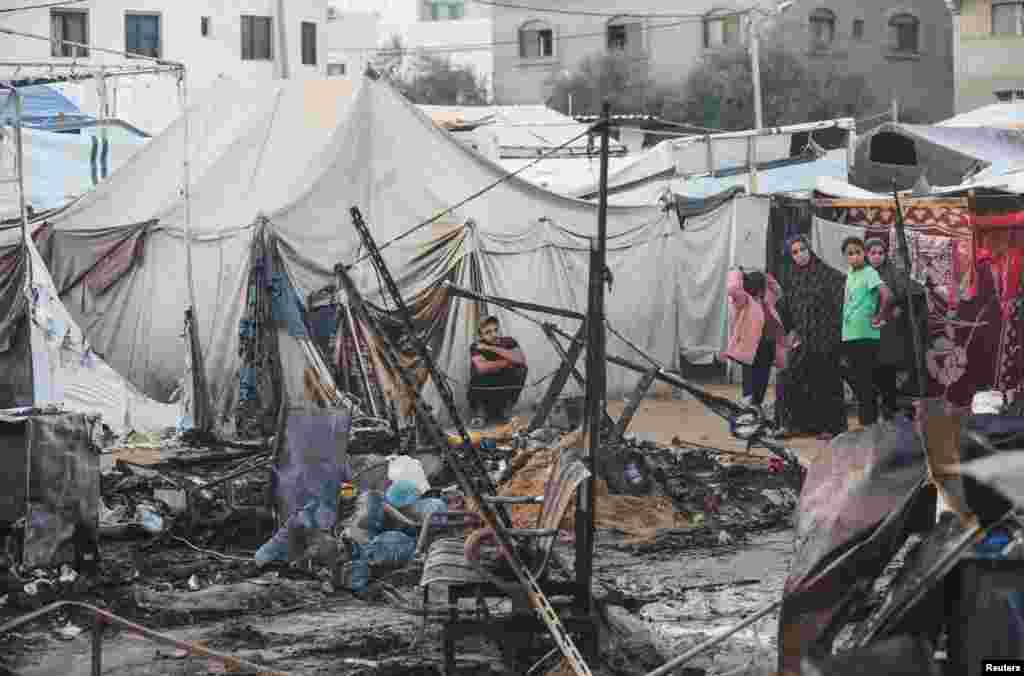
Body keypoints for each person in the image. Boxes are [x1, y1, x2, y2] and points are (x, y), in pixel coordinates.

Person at [775, 235, 848, 440]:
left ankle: (830, 427)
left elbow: (840, 304)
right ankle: (792, 425)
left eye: (802, 249)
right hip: (802, 338)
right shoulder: (792, 278)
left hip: (825, 338)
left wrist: (835, 335)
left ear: (810, 249)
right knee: (790, 378)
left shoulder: (828, 275)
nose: (800, 254)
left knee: (826, 381)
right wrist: (790, 332)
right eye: (795, 252)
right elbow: (787, 307)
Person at [866, 237, 928, 418]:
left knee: (887, 371)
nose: (877, 257)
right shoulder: (859, 273)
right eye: (872, 253)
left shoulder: (894, 273)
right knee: (871, 372)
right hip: (867, 329)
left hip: (889, 332)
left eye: (880, 253)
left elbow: (914, 293)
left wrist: (899, 308)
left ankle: (890, 410)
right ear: (867, 254)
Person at [840, 236, 891, 428]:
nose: (854, 256)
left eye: (857, 252)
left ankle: (868, 423)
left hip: (865, 334)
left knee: (864, 381)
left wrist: (880, 316)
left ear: (864, 253)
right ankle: (868, 421)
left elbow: (887, 296)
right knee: (859, 381)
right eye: (849, 254)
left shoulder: (869, 272)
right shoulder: (850, 274)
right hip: (849, 334)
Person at [723, 268, 787, 419]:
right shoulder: (744, 301)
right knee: (750, 385)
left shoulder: (768, 301)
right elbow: (732, 288)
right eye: (762, 285)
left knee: (762, 382)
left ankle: (756, 412)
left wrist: (767, 276)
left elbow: (779, 290)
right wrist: (736, 273)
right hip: (751, 349)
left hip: (768, 346)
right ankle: (748, 415)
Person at [468, 316, 528, 427]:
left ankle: (506, 410)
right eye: (488, 332)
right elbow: (482, 367)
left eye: (496, 330)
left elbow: (521, 360)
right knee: (479, 373)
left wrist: (491, 348)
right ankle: (480, 414)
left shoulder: (510, 341)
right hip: (485, 394)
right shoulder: (476, 346)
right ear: (481, 336)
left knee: (521, 369)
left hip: (504, 393)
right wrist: (508, 361)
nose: (494, 335)